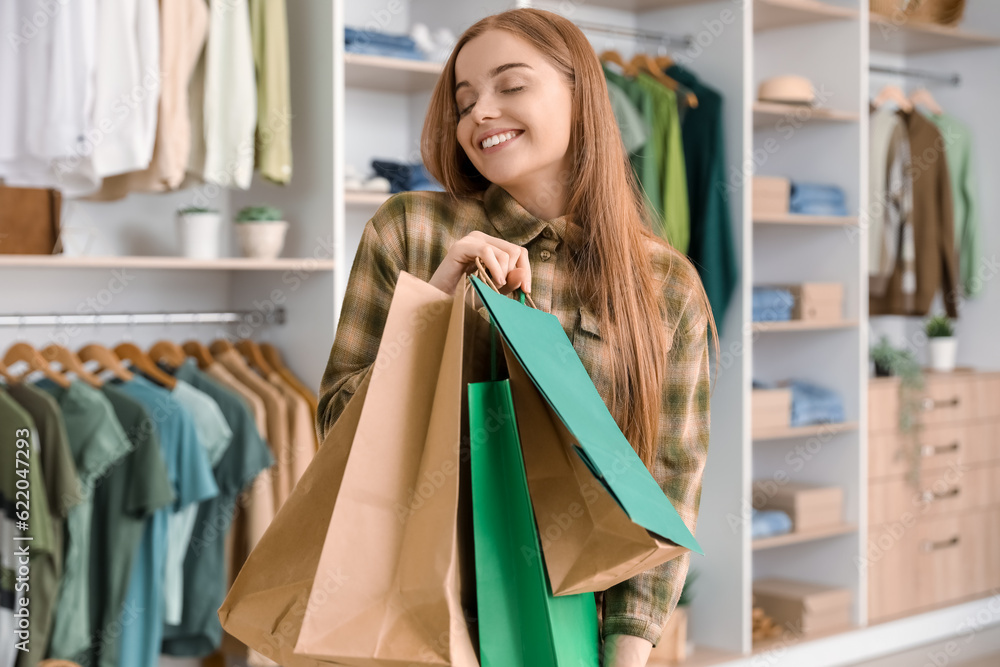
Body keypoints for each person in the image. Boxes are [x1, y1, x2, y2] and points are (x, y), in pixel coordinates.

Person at [317, 8, 718, 667]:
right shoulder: (409, 233)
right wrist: (440, 298)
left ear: (581, 96)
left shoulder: (664, 284)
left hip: (570, 632)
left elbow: (668, 481)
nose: (479, 113)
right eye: (464, 99)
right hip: (404, 619)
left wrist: (626, 653)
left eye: (510, 85)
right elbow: (337, 433)